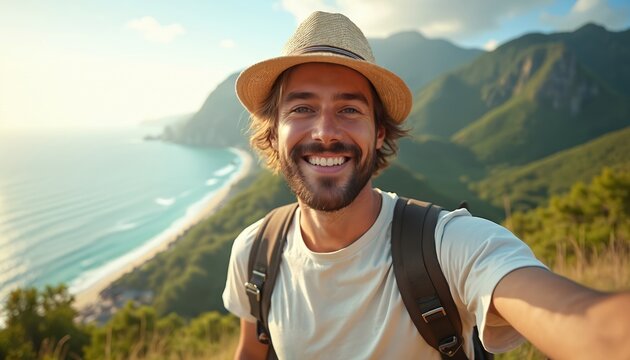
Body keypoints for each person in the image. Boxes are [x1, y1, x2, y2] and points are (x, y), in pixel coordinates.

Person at [222, 11, 630, 360]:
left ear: (379, 133)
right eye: (302, 108)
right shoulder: (255, 254)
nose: (326, 132)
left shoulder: (449, 246)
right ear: (273, 133)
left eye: (349, 109)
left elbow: (587, 323)